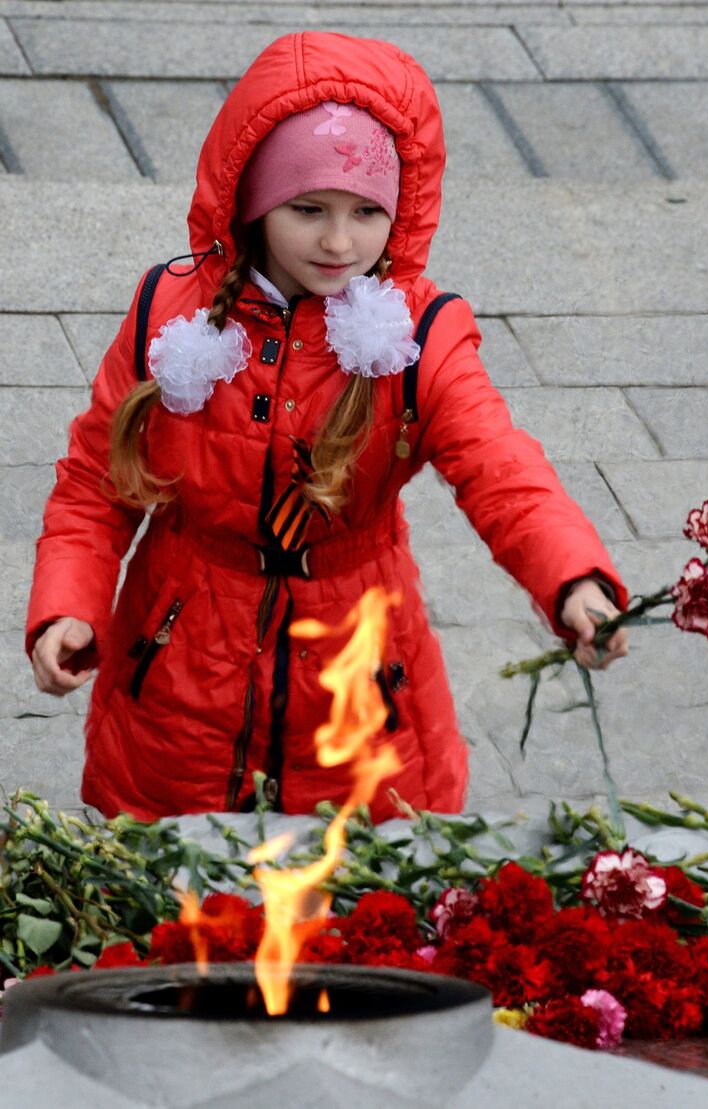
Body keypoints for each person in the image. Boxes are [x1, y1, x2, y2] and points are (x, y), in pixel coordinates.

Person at [26, 32, 628, 823]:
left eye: (367, 212)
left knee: (352, 911)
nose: (339, 241)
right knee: (180, 907)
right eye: (308, 209)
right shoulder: (167, 314)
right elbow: (95, 486)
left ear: (399, 210)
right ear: (252, 201)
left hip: (358, 680)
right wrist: (69, 602)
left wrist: (573, 578)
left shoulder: (417, 336)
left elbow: (500, 466)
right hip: (180, 685)